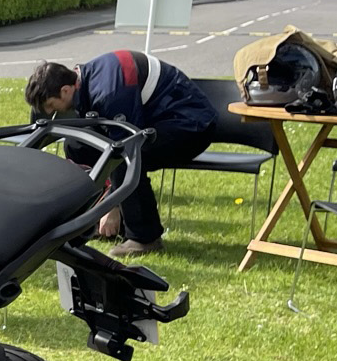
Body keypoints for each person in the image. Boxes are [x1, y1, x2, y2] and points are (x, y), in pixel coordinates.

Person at [24, 50, 219, 258]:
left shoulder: (109, 92)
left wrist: (113, 204)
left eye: (52, 106)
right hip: (156, 119)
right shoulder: (86, 78)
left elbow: (125, 147)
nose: (54, 113)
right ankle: (95, 222)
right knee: (77, 145)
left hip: (191, 125)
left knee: (127, 158)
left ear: (64, 91)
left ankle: (144, 237)